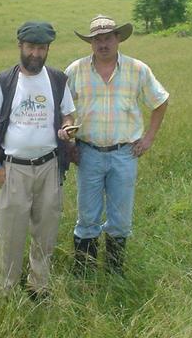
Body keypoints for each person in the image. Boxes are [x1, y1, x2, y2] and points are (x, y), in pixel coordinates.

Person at [65, 15, 169, 275]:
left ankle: (114, 271)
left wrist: (149, 138)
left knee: (121, 218)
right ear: (90, 43)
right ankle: (84, 272)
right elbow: (63, 106)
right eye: (97, 39)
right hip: (87, 153)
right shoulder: (75, 70)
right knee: (87, 216)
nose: (103, 44)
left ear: (118, 38)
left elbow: (160, 101)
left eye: (108, 38)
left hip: (124, 154)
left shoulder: (138, 69)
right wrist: (68, 138)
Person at [0, 21, 76, 299]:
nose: (35, 53)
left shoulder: (57, 80)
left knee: (46, 231)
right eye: (31, 47)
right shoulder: (4, 81)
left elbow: (67, 114)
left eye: (41, 48)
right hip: (14, 170)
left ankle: (39, 286)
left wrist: (67, 126)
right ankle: (5, 290)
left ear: (48, 49)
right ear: (20, 46)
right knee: (11, 234)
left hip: (49, 167)